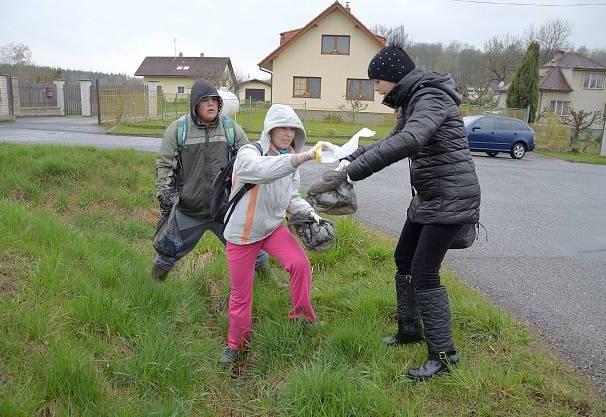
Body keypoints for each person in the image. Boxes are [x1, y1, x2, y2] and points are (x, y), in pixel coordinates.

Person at [340, 31, 481, 380]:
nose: (375, 89)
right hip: (430, 198)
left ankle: (444, 355)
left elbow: (410, 140)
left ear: (394, 76)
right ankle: (410, 329)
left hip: (452, 198)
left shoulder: (431, 97)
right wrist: (347, 160)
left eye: (377, 81)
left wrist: (353, 175)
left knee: (424, 271)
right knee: (403, 258)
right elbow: (390, 141)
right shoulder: (413, 100)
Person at [219, 104, 331, 364]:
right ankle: (236, 345)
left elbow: (292, 198)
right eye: (282, 127)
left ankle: (302, 317)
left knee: (300, 264)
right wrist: (303, 157)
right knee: (241, 293)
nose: (288, 133)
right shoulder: (249, 152)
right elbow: (263, 171)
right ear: (270, 128)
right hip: (242, 235)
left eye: (292, 128)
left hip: (271, 228)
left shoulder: (291, 156)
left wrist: (314, 217)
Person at [152, 78, 268, 281]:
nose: (211, 104)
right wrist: (164, 194)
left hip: (224, 210)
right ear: (195, 103)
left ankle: (271, 284)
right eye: (205, 100)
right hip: (189, 210)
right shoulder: (178, 130)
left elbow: (249, 158)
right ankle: (152, 288)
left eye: (214, 100)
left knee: (253, 250)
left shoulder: (230, 128)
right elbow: (165, 164)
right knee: (166, 251)